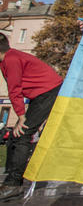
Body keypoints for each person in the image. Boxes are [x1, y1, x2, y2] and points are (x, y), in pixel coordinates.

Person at [0, 34, 63, 201]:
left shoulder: (10, 60)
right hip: (44, 93)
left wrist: (20, 116)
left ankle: (13, 185)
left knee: (22, 134)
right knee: (17, 135)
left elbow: (14, 89)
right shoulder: (9, 58)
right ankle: (10, 180)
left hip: (49, 92)